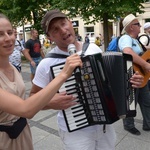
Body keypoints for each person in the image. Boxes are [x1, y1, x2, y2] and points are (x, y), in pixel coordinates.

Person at [30, 9, 144, 150]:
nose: (63, 30)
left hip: (104, 127)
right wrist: (51, 102)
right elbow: (32, 98)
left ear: (70, 22)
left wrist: (131, 82)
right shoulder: (46, 63)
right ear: (49, 37)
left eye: (63, 23)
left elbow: (109, 82)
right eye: (55, 29)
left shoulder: (93, 48)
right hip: (76, 131)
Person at [0, 13, 82, 150]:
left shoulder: (13, 68)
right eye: (0, 34)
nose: (8, 38)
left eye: (10, 32)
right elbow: (25, 109)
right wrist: (63, 75)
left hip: (22, 135)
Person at [118, 14, 150, 136]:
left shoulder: (136, 40)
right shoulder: (125, 38)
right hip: (131, 75)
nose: (140, 26)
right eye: (138, 24)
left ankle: (148, 124)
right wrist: (146, 65)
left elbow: (142, 52)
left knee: (146, 101)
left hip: (142, 76)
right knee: (131, 102)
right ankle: (129, 126)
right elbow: (127, 52)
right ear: (131, 27)